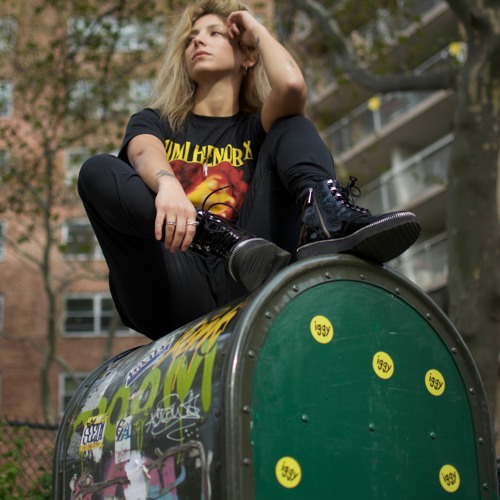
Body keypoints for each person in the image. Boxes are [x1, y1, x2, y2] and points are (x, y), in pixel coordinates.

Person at [78, 0, 420, 341]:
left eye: (214, 33)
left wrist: (255, 29)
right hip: (171, 282)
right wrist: (166, 183)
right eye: (191, 38)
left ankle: (327, 215)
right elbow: (142, 150)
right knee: (96, 169)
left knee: (293, 125)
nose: (198, 40)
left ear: (247, 56)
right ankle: (212, 233)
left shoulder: (259, 127)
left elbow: (291, 86)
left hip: (248, 273)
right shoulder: (157, 120)